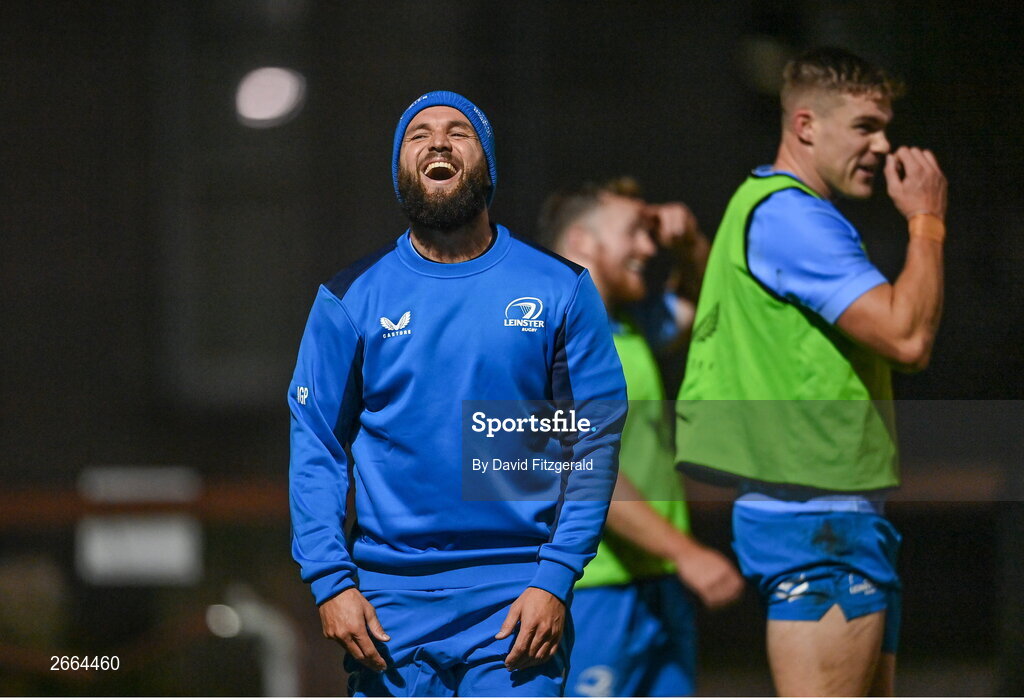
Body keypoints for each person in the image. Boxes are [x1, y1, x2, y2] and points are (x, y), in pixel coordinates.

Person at [287, 91, 627, 697]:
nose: (438, 142)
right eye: (418, 134)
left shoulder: (561, 289)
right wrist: (332, 583)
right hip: (387, 610)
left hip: (515, 605)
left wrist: (555, 579)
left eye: (458, 132)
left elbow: (594, 439)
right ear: (400, 169)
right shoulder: (349, 298)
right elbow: (316, 447)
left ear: (487, 164)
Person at [675, 48, 948, 696]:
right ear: (804, 126)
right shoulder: (791, 217)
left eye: (885, 127)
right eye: (864, 127)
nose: (883, 145)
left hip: (830, 514)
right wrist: (927, 219)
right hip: (818, 523)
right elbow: (909, 337)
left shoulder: (772, 208)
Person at [540, 179, 744, 697]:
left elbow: (704, 312)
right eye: (634, 233)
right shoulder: (549, 341)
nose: (647, 249)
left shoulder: (626, 327)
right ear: (583, 241)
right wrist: (687, 553)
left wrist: (690, 245)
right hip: (593, 591)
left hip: (656, 585)